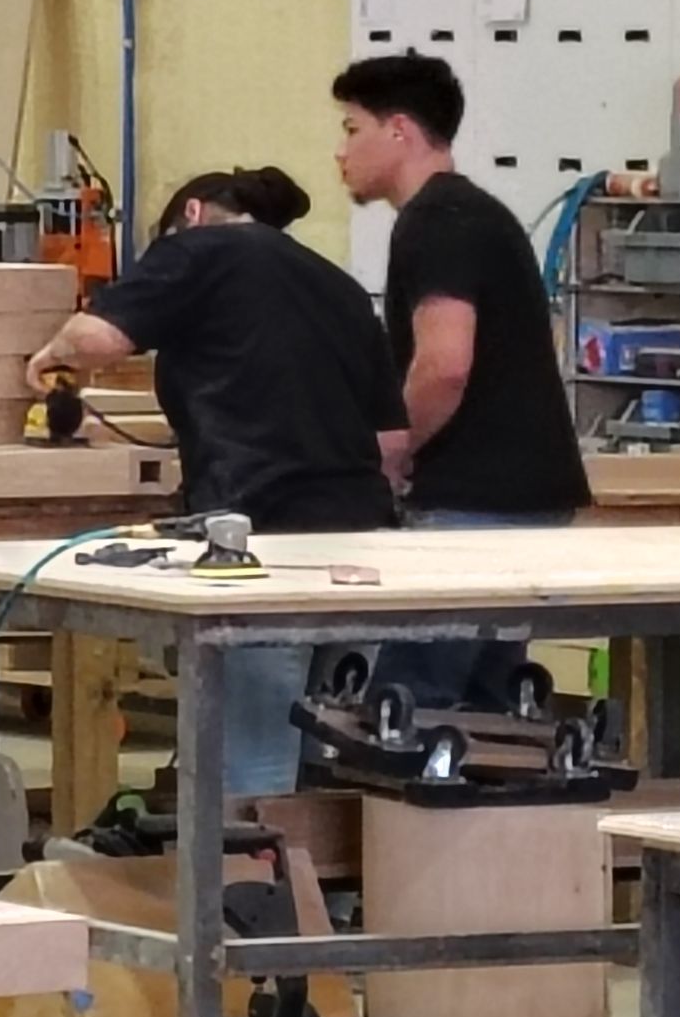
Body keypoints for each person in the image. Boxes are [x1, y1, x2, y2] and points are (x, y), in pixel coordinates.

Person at [25, 165, 406, 796]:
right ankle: (318, 866)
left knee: (251, 776)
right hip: (362, 551)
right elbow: (392, 443)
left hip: (262, 549)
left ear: (193, 214)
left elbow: (100, 338)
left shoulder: (198, 249)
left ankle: (245, 864)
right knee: (334, 770)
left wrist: (51, 353)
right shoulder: (336, 285)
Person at [333, 51, 591, 708]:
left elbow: (445, 364)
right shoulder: (477, 213)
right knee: (485, 710)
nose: (341, 151)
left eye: (352, 128)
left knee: (406, 706)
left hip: (473, 505)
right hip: (520, 497)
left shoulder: (436, 221)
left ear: (399, 130)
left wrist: (393, 450)